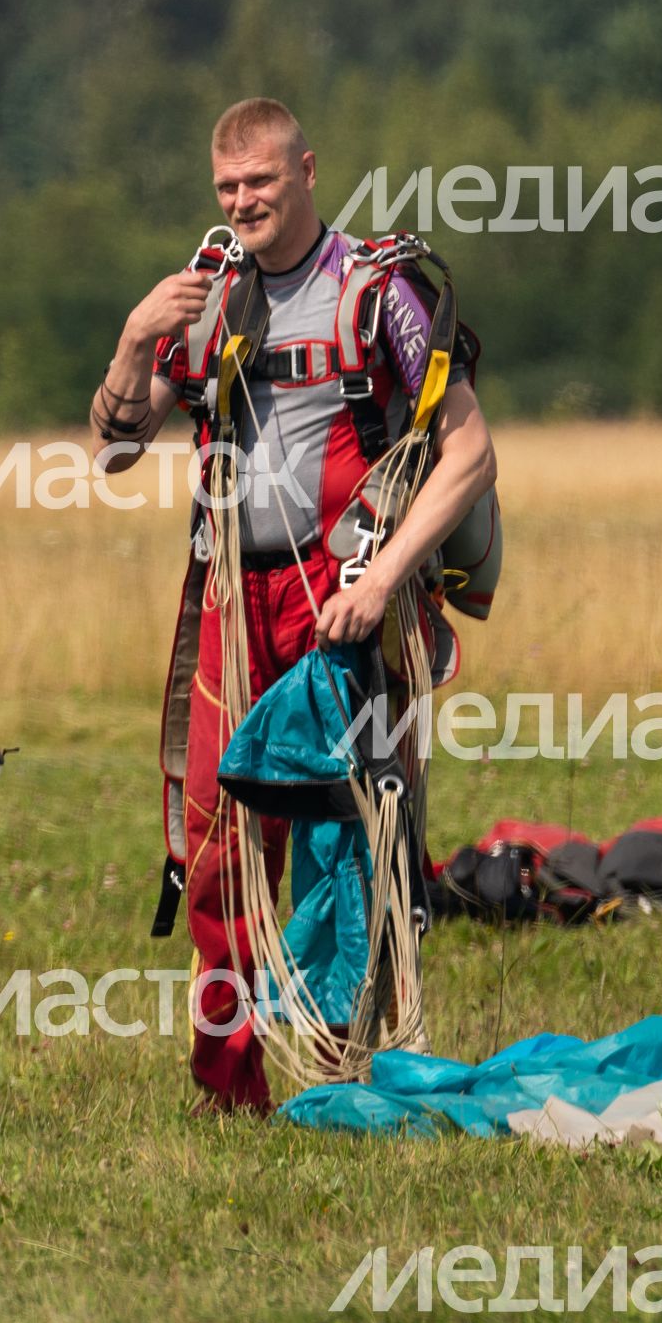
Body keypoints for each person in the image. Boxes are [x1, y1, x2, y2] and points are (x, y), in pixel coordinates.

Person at [87, 99, 497, 1113]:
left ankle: (359, 1072)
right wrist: (138, 339)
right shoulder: (210, 297)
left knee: (350, 841)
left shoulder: (375, 292)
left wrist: (384, 579)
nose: (243, 203)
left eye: (261, 183)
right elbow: (112, 446)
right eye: (228, 188)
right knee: (216, 840)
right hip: (237, 599)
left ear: (307, 171)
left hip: (341, 606)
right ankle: (229, 1091)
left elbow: (469, 453)